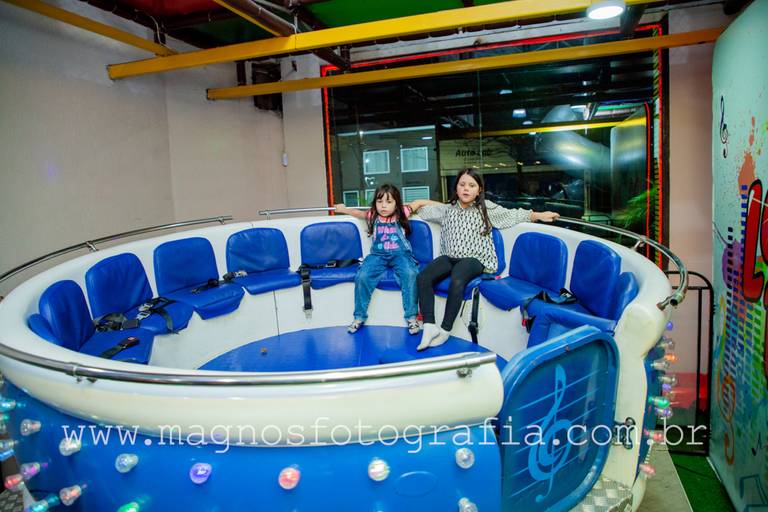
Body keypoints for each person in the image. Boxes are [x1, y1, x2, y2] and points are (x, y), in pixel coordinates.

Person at [415, 168, 560, 351]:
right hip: (449, 257)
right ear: (456, 188)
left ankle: (445, 330)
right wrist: (415, 204)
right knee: (423, 277)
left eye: (471, 185)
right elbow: (425, 211)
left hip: (475, 259)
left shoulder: (486, 208)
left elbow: (513, 214)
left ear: (479, 190)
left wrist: (538, 215)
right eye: (462, 184)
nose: (466, 188)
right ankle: (429, 326)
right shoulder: (447, 209)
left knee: (457, 279)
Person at [335, 185, 432, 335]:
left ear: (396, 204)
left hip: (401, 254)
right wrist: (343, 209)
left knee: (410, 274)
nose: (383, 206)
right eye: (380, 202)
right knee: (362, 276)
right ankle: (359, 316)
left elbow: (419, 202)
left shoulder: (402, 213)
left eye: (389, 202)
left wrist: (447, 205)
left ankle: (411, 317)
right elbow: (358, 213)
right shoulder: (372, 215)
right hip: (378, 255)